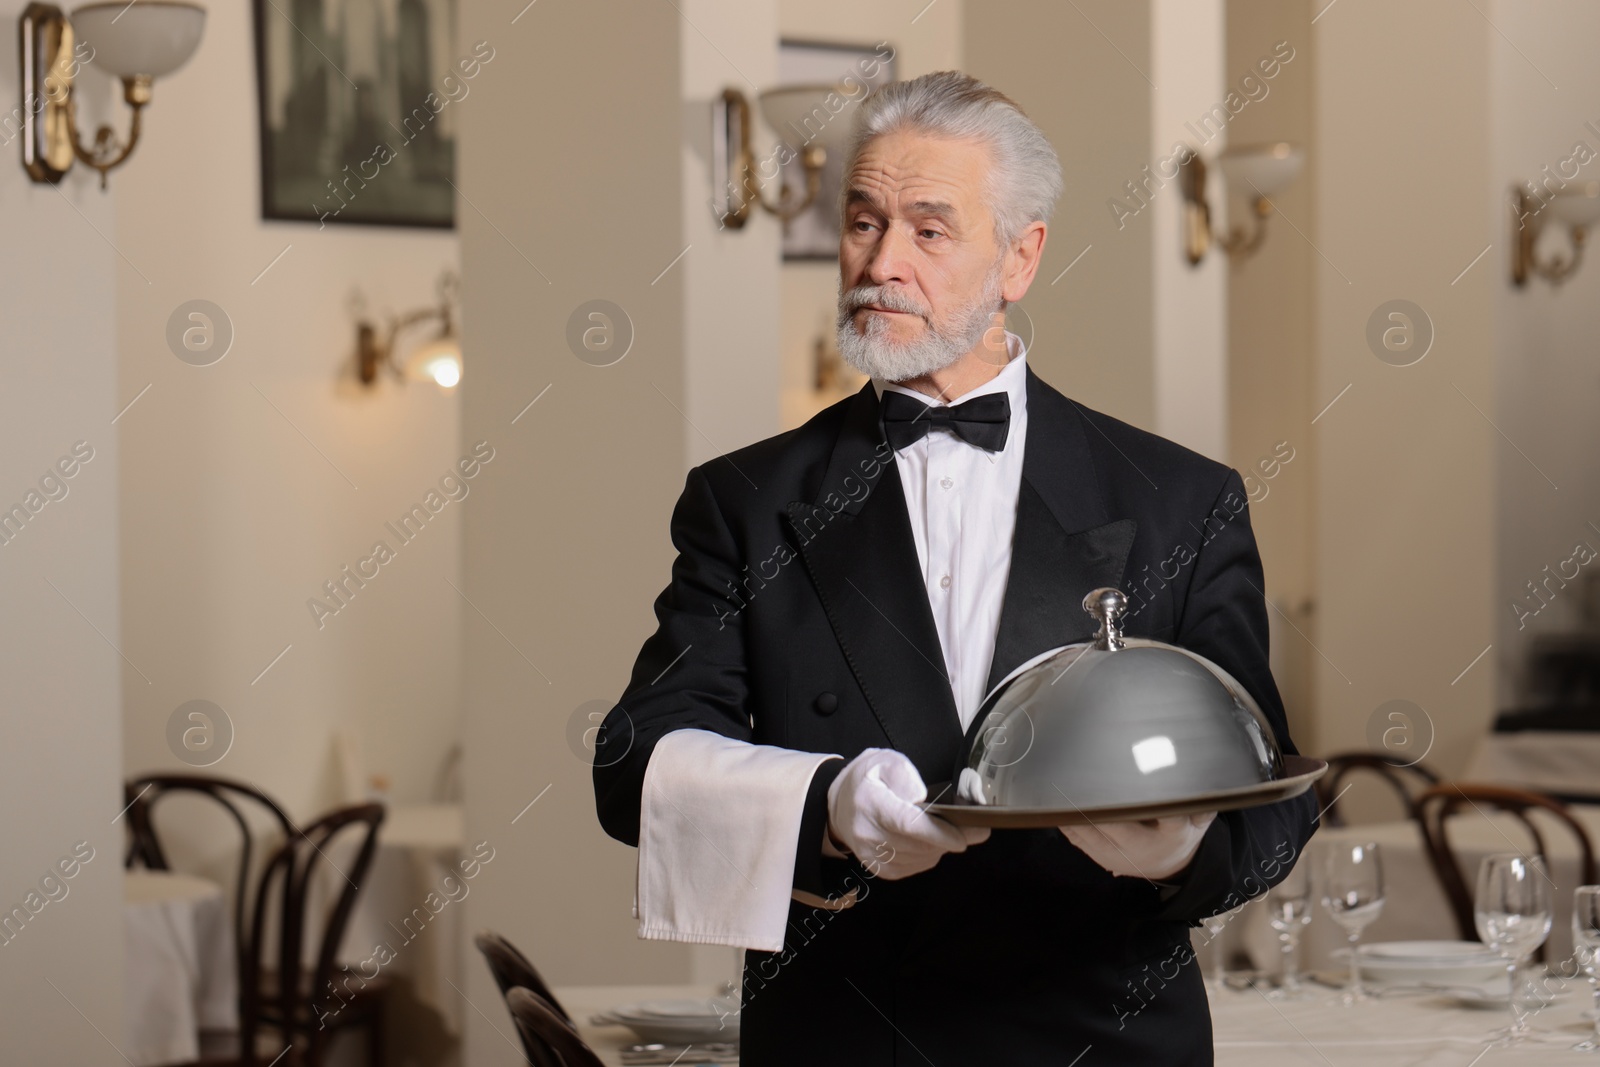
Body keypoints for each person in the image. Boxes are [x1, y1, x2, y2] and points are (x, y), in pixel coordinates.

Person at [592, 70, 1316, 1065]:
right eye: (862, 220)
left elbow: (1272, 791)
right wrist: (828, 806)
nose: (880, 261)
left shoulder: (1178, 499)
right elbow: (634, 760)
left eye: (929, 230)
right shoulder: (747, 499)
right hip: (845, 1039)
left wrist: (1180, 848)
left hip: (1102, 1040)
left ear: (1019, 258)